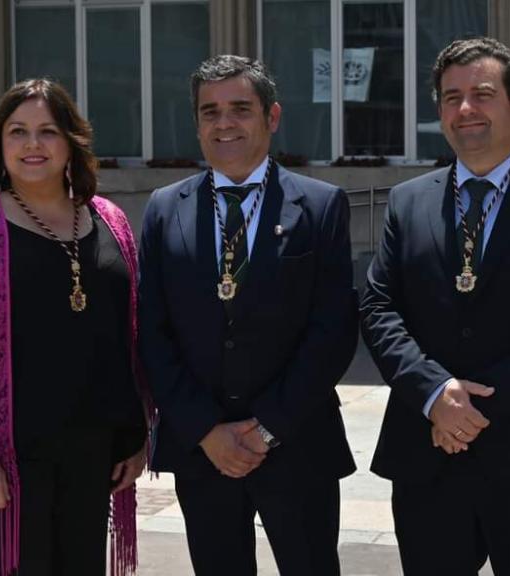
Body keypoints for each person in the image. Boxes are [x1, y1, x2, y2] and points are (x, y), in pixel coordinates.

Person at [360, 37, 510, 575]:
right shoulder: (408, 200)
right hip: (427, 455)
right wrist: (432, 393)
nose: (464, 109)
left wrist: (472, 409)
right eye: (451, 97)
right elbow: (379, 307)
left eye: (482, 94)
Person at [138, 55, 357, 576]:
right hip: (202, 450)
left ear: (272, 117)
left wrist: (267, 429)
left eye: (240, 109)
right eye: (209, 112)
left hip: (298, 443)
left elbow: (332, 330)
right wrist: (206, 429)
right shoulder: (165, 208)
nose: (224, 123)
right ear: (197, 124)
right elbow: (152, 331)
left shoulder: (321, 205)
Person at [0, 78, 149, 576]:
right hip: (7, 459)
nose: (32, 145)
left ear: (71, 141)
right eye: (17, 131)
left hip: (94, 456)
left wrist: (137, 435)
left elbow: (125, 339)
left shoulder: (109, 220)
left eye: (47, 131)